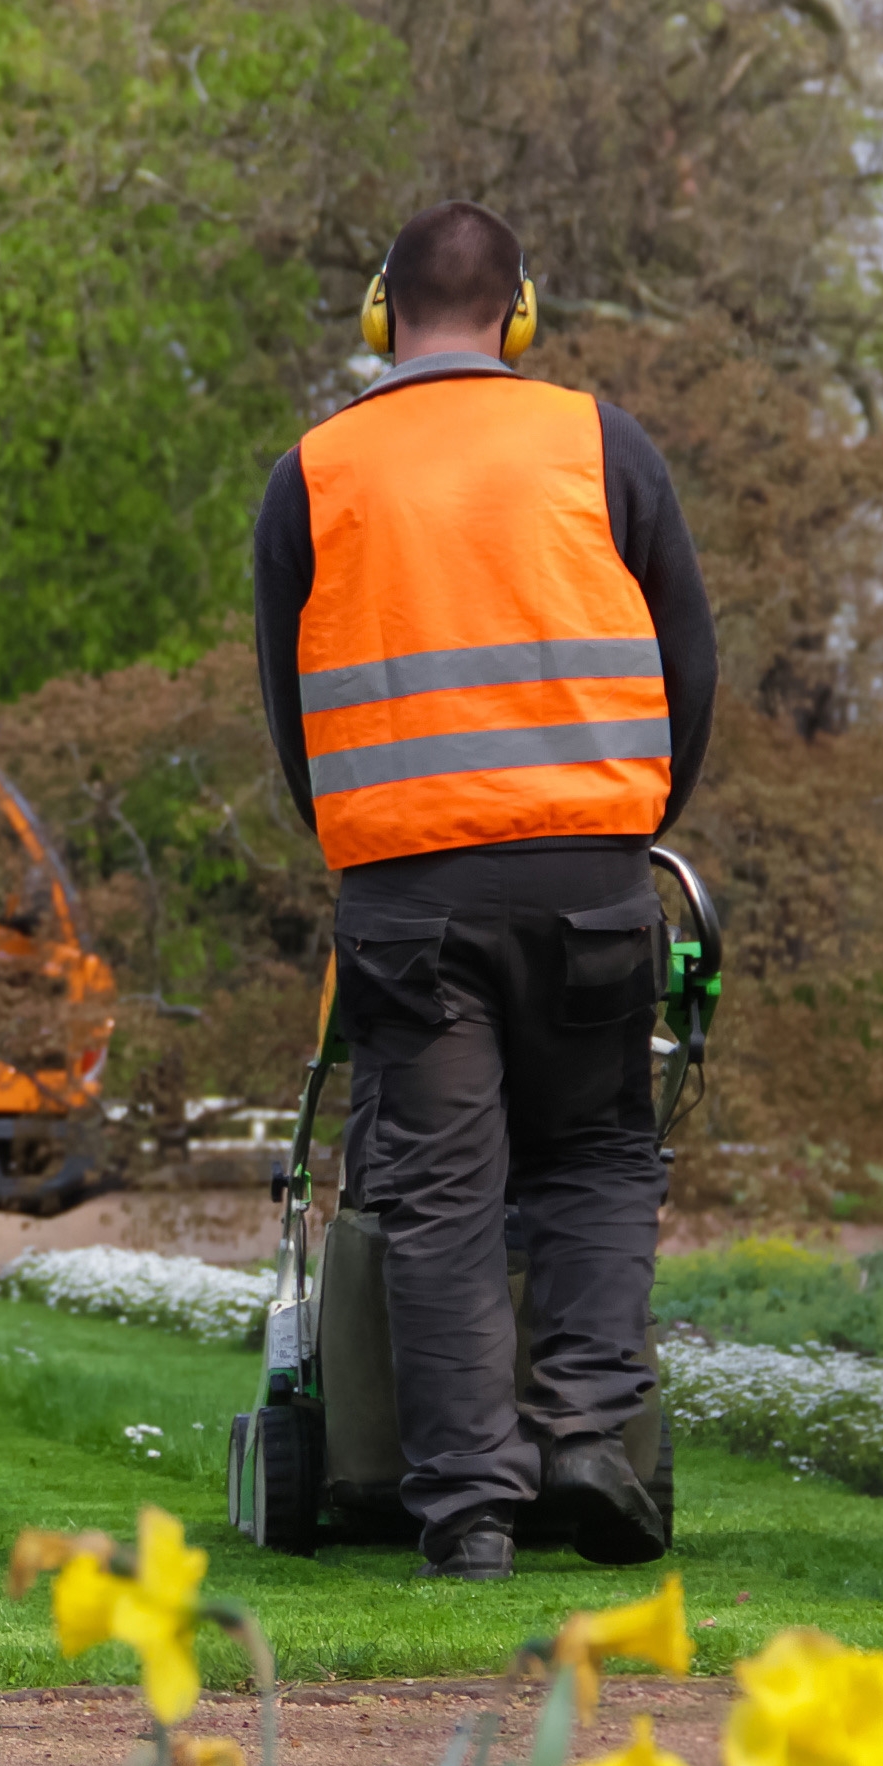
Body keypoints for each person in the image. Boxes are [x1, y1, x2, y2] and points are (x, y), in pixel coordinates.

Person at [249, 201, 717, 1581]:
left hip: (407, 893)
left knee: (440, 1194)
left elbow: (291, 708)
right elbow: (688, 660)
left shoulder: (314, 474)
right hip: (587, 875)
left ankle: (469, 1514)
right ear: (521, 314)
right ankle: (586, 1438)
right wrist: (630, 824)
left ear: (380, 313)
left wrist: (363, 838)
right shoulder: (602, 444)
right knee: (597, 1153)